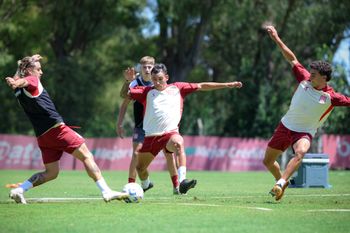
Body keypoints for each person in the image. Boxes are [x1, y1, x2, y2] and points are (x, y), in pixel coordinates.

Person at [5, 54, 129, 204]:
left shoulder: (18, 91)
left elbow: (16, 83)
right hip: (56, 130)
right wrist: (18, 80)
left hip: (42, 137)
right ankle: (106, 191)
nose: (41, 72)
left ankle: (20, 190)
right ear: (30, 71)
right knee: (87, 156)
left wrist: (17, 73)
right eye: (38, 69)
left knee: (51, 173)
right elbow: (23, 81)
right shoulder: (32, 79)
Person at [263, 26, 350, 201]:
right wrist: (276, 38)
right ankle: (281, 180)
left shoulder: (331, 97)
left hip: (304, 132)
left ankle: (280, 183)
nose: (310, 76)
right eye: (310, 73)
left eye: (314, 74)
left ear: (324, 78)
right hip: (285, 125)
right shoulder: (304, 79)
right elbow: (292, 58)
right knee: (267, 161)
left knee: (300, 152)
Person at [128, 63, 243, 194]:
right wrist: (129, 82)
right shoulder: (146, 92)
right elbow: (125, 94)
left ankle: (183, 181)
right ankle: (146, 184)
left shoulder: (178, 88)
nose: (157, 82)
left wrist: (226, 85)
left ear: (166, 77)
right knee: (140, 168)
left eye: (160, 79)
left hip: (169, 135)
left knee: (178, 143)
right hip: (150, 137)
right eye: (154, 79)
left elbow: (201, 85)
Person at [117, 56, 180, 194]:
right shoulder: (135, 82)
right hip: (141, 126)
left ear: (153, 68)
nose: (147, 69)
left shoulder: (158, 82)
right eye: (144, 66)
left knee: (169, 154)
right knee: (136, 154)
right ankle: (131, 186)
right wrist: (119, 123)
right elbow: (124, 97)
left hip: (160, 127)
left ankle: (177, 187)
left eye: (149, 67)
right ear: (140, 68)